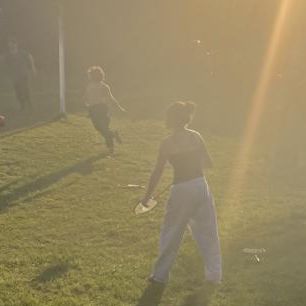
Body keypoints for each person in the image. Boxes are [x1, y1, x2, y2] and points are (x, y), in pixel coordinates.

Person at [141, 101, 222, 286]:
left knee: (171, 232)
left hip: (181, 189)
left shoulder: (167, 143)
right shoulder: (196, 136)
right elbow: (208, 163)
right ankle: (214, 276)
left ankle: (159, 276)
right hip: (200, 186)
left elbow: (157, 172)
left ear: (170, 119)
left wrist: (146, 197)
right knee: (208, 231)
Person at [84, 65, 124, 153]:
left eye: (90, 75)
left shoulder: (91, 86)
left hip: (96, 109)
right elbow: (111, 99)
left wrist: (88, 107)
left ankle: (113, 134)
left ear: (92, 76)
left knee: (99, 127)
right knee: (105, 127)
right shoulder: (103, 86)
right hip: (102, 108)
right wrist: (120, 108)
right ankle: (111, 148)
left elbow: (87, 98)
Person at [2, 38, 37, 111]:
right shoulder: (8, 55)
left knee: (25, 89)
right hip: (15, 76)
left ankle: (28, 103)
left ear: (16, 44)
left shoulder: (22, 52)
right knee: (17, 91)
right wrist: (6, 70)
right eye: (10, 43)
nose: (11, 45)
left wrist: (33, 67)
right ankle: (22, 104)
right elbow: (4, 62)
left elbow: (30, 56)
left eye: (13, 43)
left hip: (23, 74)